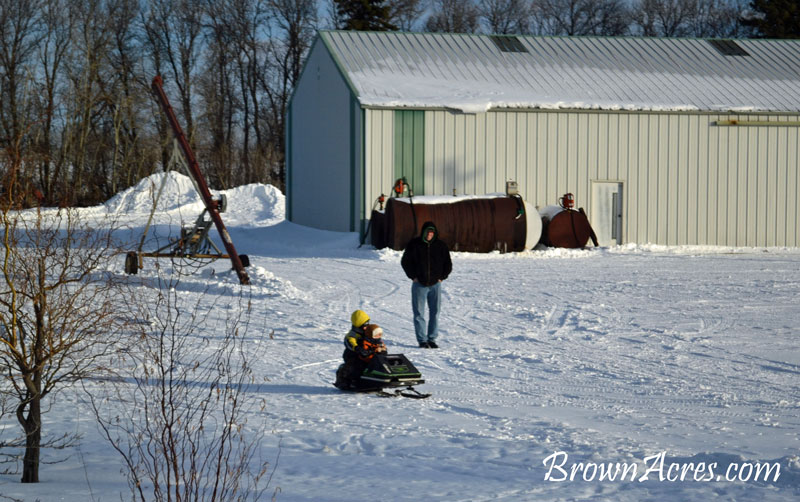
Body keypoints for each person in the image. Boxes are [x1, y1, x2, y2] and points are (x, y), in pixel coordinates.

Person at [401, 221, 452, 348]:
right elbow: (405, 262)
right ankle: (422, 340)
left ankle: (432, 339)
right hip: (419, 285)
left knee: (435, 312)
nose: (429, 234)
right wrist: (413, 276)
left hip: (435, 285)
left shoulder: (441, 246)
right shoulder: (414, 244)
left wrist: (442, 277)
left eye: (432, 232)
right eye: (427, 232)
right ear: (423, 232)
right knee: (419, 313)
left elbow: (448, 264)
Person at [335, 310, 387, 389]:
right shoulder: (352, 335)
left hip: (369, 353)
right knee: (357, 365)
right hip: (354, 355)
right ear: (358, 326)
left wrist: (381, 347)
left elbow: (377, 339)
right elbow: (350, 342)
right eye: (364, 326)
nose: (366, 327)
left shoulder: (368, 331)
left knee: (378, 362)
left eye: (367, 324)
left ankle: (380, 377)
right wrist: (357, 348)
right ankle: (352, 380)